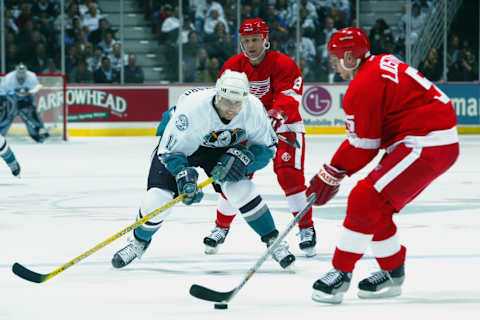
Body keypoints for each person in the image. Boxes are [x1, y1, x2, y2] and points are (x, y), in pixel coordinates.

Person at [306, 27, 459, 304]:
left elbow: (365, 146)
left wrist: (332, 173)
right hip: (428, 139)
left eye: (336, 56)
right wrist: (333, 171)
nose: (332, 63)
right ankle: (392, 273)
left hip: (427, 143)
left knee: (365, 198)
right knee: (376, 207)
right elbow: (365, 140)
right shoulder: (378, 66)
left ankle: (340, 273)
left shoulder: (363, 85)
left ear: (350, 57)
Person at [111, 70, 296, 270]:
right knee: (158, 199)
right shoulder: (193, 109)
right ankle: (138, 242)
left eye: (237, 103)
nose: (232, 109)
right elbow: (170, 151)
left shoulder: (253, 108)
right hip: (180, 148)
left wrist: (245, 160)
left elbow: (267, 148)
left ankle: (273, 242)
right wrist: (183, 176)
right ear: (217, 95)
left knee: (240, 189)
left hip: (219, 149)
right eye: (226, 102)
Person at [202, 18, 317, 257]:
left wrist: (275, 115)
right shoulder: (233, 65)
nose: (251, 45)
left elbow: (290, 97)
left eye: (255, 39)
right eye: (246, 41)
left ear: (266, 39)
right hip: (248, 130)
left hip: (285, 126)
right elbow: (222, 99)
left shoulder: (284, 64)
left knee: (289, 175)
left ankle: (306, 229)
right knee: (234, 174)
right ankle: (220, 227)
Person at [0, 63, 49, 143]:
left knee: (32, 115)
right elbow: (2, 92)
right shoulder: (9, 78)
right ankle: (0, 136)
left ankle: (38, 135)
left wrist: (28, 96)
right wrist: (11, 96)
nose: (21, 74)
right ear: (16, 71)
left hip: (26, 101)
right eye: (19, 72)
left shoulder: (32, 77)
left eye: (23, 72)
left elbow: (36, 89)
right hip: (11, 102)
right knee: (6, 118)